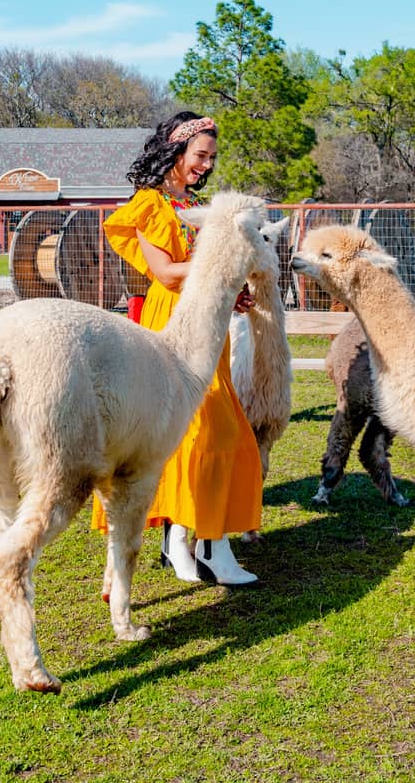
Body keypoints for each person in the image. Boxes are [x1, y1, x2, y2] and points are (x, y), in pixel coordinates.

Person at [91, 110, 263, 586]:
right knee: (196, 431)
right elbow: (166, 273)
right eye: (199, 155)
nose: (206, 165)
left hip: (209, 323)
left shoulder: (195, 207)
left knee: (213, 431)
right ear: (176, 150)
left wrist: (232, 289)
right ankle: (204, 543)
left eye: (211, 158)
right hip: (171, 319)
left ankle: (186, 538)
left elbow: (203, 269)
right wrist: (224, 263)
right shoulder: (151, 205)